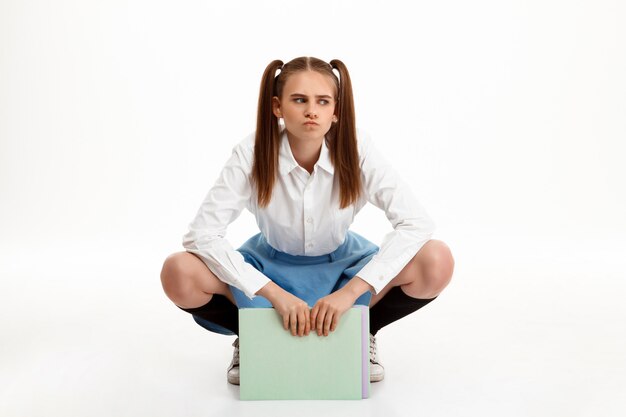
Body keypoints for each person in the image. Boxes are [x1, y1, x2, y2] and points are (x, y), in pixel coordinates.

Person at [160, 56, 454, 385]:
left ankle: (362, 333)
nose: (311, 111)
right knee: (178, 271)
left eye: (322, 101)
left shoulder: (357, 148)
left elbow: (416, 223)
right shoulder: (252, 151)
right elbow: (201, 234)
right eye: (299, 100)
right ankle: (252, 336)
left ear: (336, 110)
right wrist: (271, 293)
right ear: (277, 107)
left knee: (436, 259)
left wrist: (350, 292)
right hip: (268, 269)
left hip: (343, 268)